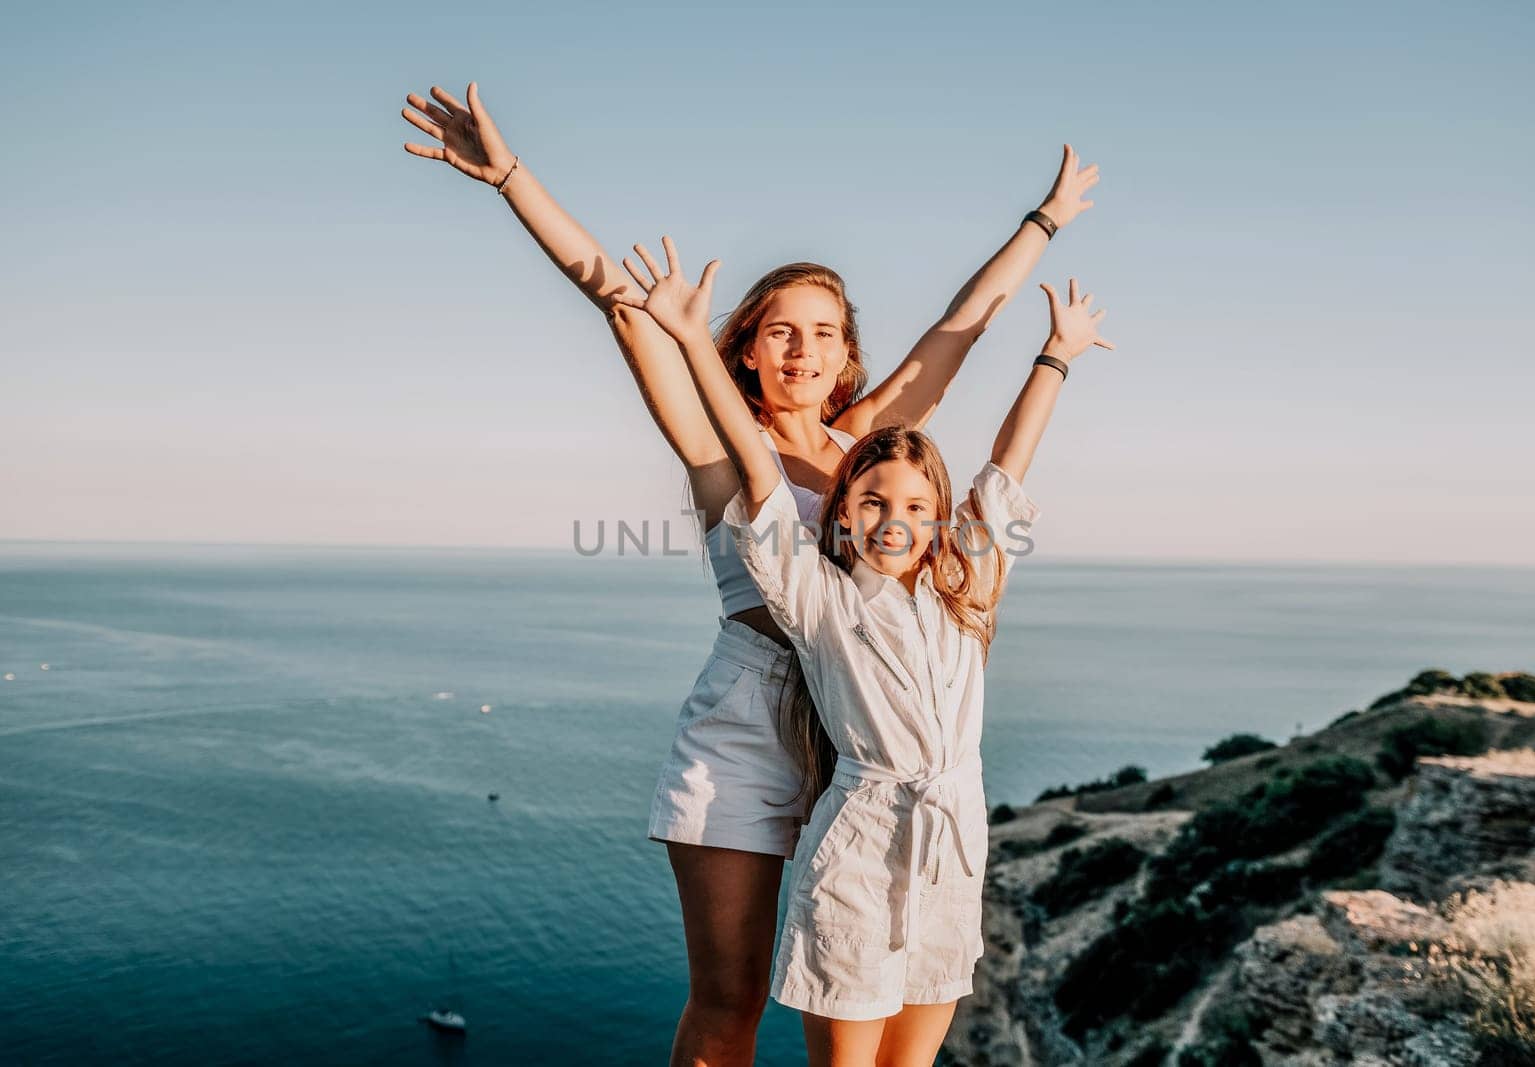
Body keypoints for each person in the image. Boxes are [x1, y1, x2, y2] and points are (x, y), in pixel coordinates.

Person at [400, 82, 1099, 1065]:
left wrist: (1046, 220)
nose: (801, 347)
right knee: (727, 1003)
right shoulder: (723, 451)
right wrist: (511, 176)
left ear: (849, 354)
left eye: (821, 330)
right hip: (747, 726)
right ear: (744, 349)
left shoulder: (869, 454)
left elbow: (964, 322)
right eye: (779, 329)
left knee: (866, 976)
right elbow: (620, 303)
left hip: (861, 739)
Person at [619, 236, 1112, 1066]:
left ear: (942, 519)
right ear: (836, 517)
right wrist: (695, 340)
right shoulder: (817, 597)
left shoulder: (966, 588)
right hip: (854, 834)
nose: (895, 517)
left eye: (919, 505)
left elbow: (1006, 463)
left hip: (951, 842)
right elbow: (756, 464)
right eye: (873, 500)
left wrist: (1055, 355)